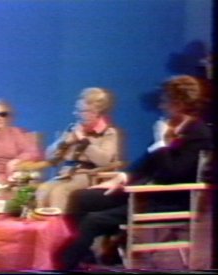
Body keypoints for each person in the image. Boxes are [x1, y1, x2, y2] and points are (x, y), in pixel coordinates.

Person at [60, 75, 214, 270]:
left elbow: (173, 173)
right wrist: (122, 177)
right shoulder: (172, 125)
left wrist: (160, 142)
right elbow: (147, 161)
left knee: (92, 221)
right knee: (81, 198)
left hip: (167, 200)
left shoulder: (198, 134)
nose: (161, 104)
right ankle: (85, 252)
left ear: (179, 103)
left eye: (165, 100)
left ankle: (64, 265)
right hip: (146, 193)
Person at [24, 87, 122, 213]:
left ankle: (59, 230)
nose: (75, 114)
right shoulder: (72, 128)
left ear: (95, 112)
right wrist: (64, 142)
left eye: (80, 111)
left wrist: (83, 140)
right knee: (43, 189)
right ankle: (43, 229)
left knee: (59, 192)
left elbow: (104, 160)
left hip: (87, 176)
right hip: (65, 174)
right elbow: (49, 156)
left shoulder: (108, 133)